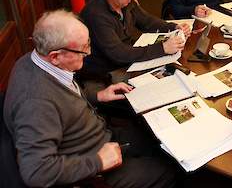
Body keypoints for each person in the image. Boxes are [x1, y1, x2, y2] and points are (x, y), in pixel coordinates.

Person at [3, 10, 177, 187]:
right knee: (171, 170)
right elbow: (36, 172)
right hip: (93, 167)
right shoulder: (35, 104)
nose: (89, 52)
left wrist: (97, 96)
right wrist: (98, 162)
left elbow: (62, 98)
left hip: (100, 135)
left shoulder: (32, 59)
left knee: (160, 139)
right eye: (82, 49)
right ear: (55, 56)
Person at [80, 0, 191, 82]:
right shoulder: (96, 15)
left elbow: (147, 21)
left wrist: (174, 27)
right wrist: (162, 48)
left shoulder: (124, 2)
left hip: (128, 60)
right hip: (106, 73)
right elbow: (119, 54)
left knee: (176, 71)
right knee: (166, 80)